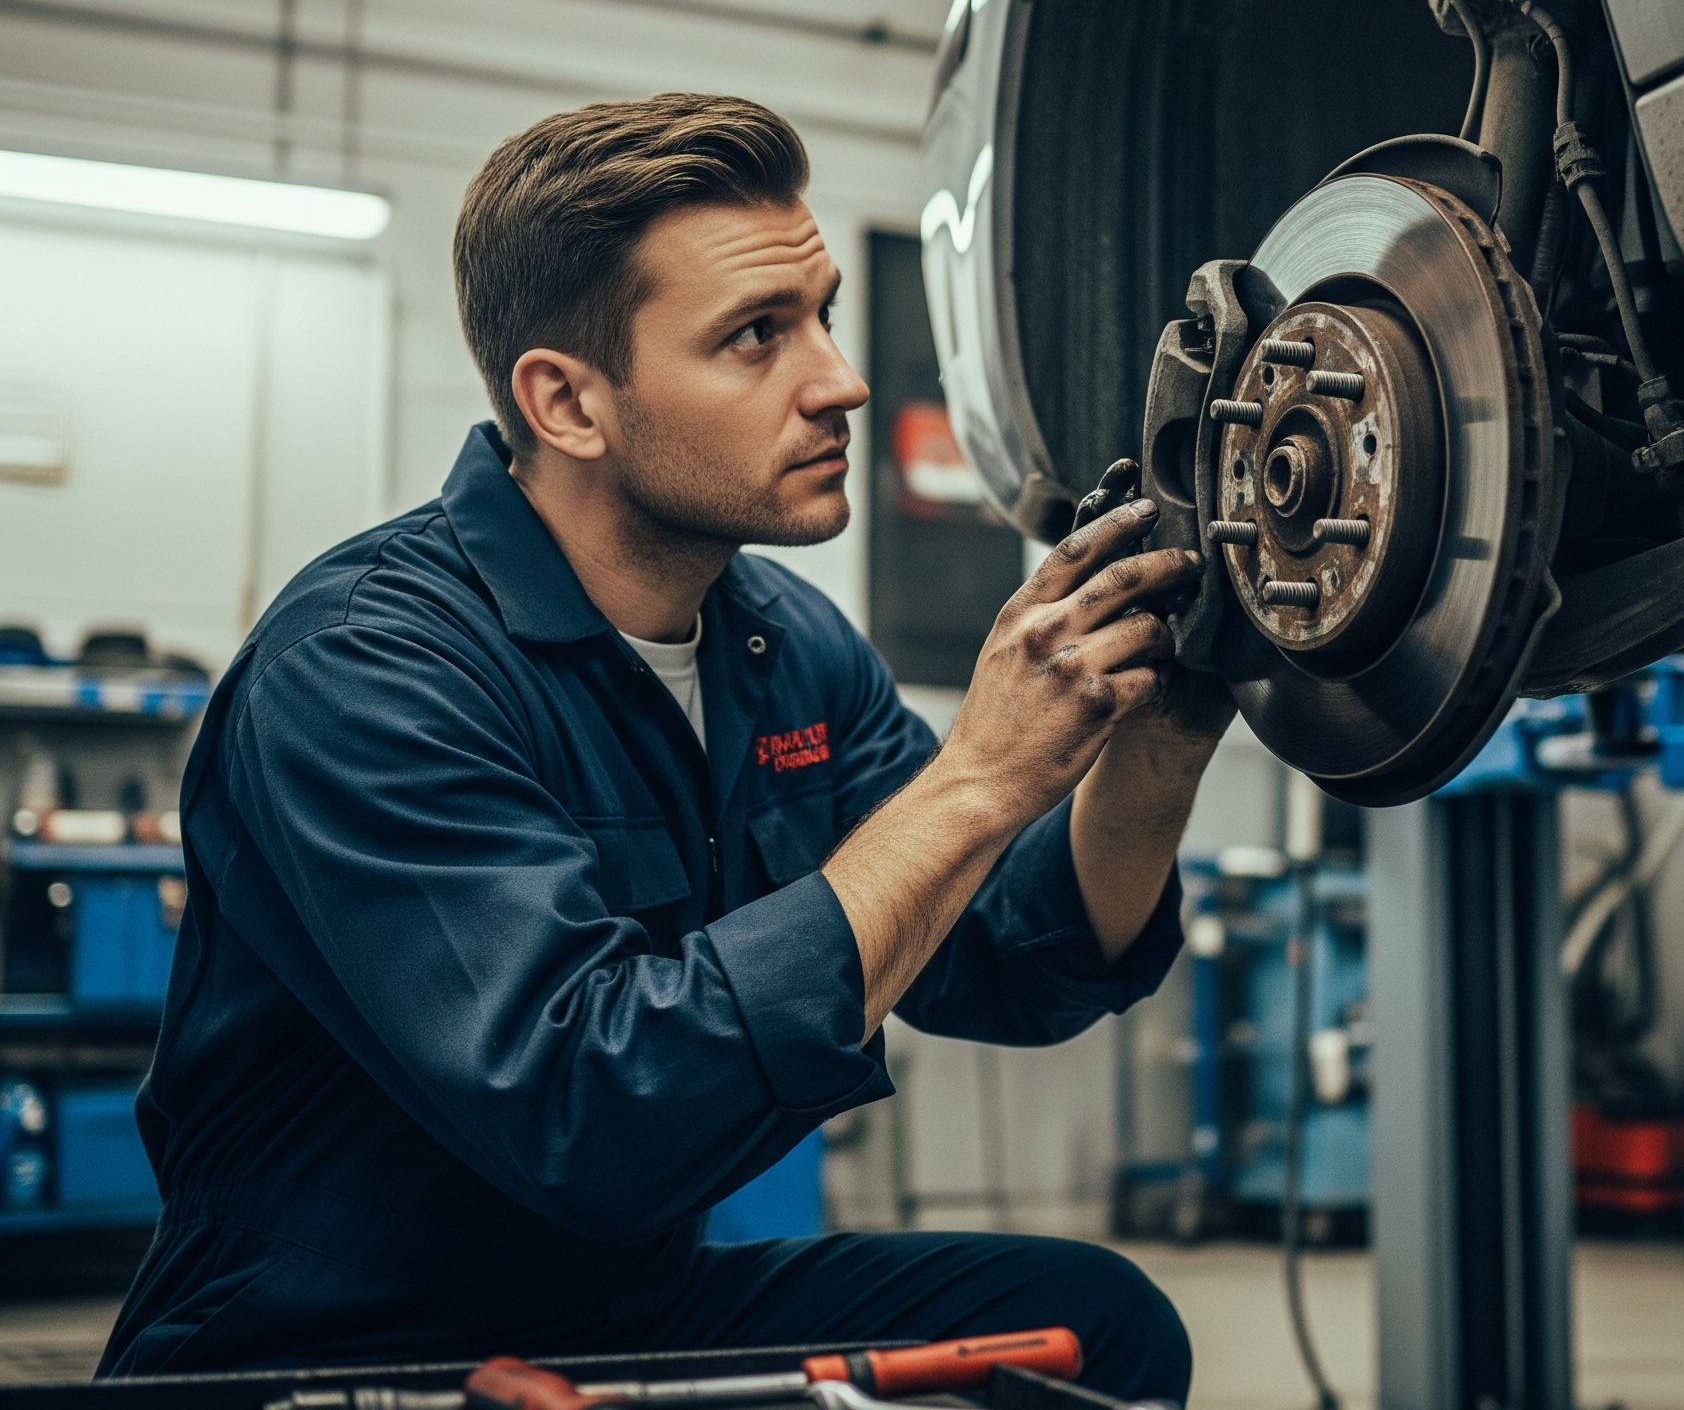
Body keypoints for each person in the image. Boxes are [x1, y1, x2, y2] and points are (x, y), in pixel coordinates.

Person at [101, 94, 1232, 1400]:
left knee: (1096, 1325)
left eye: (823, 316)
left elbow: (1007, 961)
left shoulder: (784, 643)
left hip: (624, 1307)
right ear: (567, 402)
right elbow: (589, 1109)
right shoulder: (364, 670)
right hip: (327, 1347)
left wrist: (1164, 735)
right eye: (758, 336)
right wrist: (980, 776)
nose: (841, 380)